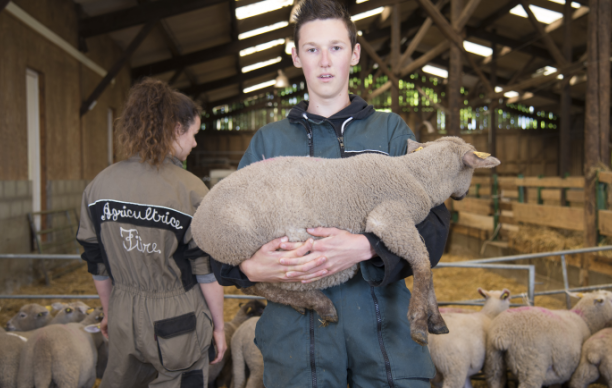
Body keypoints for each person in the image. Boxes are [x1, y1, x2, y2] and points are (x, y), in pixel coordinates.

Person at [211, 0, 451, 387]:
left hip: (385, 342)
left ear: (354, 54)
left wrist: (367, 247)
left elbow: (436, 222)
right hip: (296, 346)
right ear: (295, 56)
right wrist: (248, 269)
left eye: (336, 48)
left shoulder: (389, 133)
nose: (325, 61)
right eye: (312, 49)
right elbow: (222, 228)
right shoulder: (269, 142)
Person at [76, 79, 226, 388]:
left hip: (122, 313)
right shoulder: (191, 189)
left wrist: (109, 312)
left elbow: (96, 263)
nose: (195, 144)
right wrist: (220, 327)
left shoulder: (98, 186)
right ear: (175, 130)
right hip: (178, 320)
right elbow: (205, 271)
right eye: (193, 134)